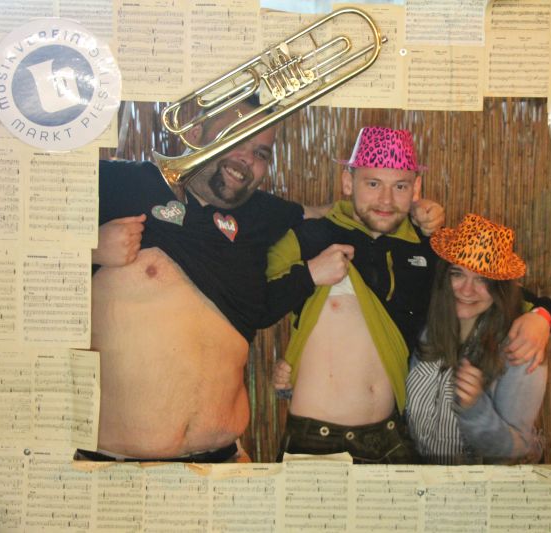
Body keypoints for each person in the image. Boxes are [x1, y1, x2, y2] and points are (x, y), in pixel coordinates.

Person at [82, 105, 443, 463]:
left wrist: (413, 209)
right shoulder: (127, 184)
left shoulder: (261, 214)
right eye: (234, 138)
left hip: (223, 459)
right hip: (117, 463)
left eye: (261, 153)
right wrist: (88, 247)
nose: (246, 159)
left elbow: (341, 212)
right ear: (194, 133)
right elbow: (42, 226)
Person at [267, 127, 551, 463]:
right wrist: (309, 274)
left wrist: (542, 316)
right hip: (317, 439)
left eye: (400, 186)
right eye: (372, 184)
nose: (386, 200)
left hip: (391, 437)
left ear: (416, 189)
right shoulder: (313, 237)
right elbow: (255, 299)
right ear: (348, 182)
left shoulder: (426, 248)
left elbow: (499, 292)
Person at [405, 214, 550, 465]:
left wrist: (475, 409)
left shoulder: (519, 350)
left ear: (500, 287)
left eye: (482, 279)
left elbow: (517, 449)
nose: (466, 290)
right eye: (457, 274)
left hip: (482, 486)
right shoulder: (430, 332)